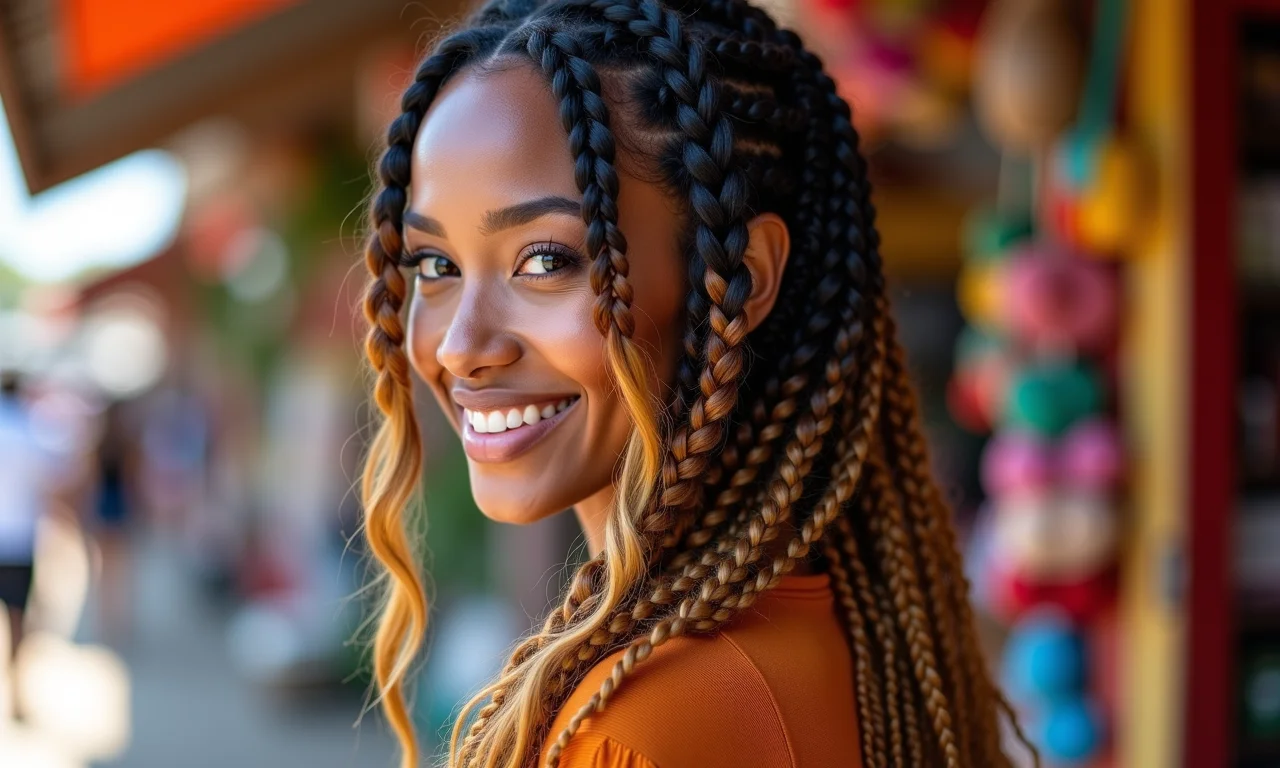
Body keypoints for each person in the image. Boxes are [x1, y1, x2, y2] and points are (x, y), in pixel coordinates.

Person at [357, 1, 1034, 766]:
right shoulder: (837, 633)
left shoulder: (642, 727)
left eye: (545, 260)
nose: (460, 347)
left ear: (739, 278)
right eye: (435, 266)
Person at [0, 371, 50, 717]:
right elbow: (48, 481)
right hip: (18, 539)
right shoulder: (28, 432)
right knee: (18, 618)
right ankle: (16, 692)